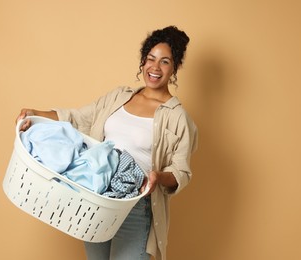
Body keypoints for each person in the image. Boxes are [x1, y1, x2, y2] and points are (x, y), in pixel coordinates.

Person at [16, 25, 198, 260]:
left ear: (175, 66)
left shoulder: (176, 116)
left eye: (165, 61)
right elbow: (79, 118)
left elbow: (181, 171)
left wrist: (156, 177)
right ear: (143, 61)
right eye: (150, 58)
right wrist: (35, 113)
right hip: (98, 200)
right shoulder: (119, 97)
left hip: (134, 206)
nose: (155, 67)